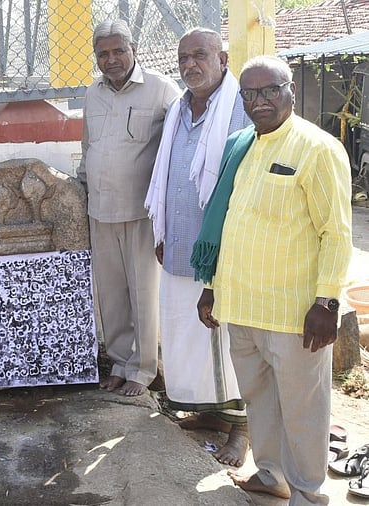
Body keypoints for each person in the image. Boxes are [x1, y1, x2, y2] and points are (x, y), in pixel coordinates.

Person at [194, 55, 352, 503]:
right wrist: (212, 289)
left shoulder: (317, 149)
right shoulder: (242, 145)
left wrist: (327, 304)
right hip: (241, 306)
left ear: (291, 91)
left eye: (270, 91)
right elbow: (227, 222)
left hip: (294, 313)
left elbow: (337, 233)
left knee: (303, 411)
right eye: (250, 93)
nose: (259, 101)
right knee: (259, 399)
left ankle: (308, 494)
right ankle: (271, 474)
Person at [143, 28, 250, 466]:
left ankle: (241, 428)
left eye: (200, 55)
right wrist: (162, 233)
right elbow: (166, 176)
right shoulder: (177, 110)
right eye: (184, 57)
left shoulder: (244, 106)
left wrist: (228, 248)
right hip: (180, 243)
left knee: (224, 339)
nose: (190, 64)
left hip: (223, 247)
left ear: (222, 58)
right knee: (186, 337)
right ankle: (210, 416)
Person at [78, 19, 180, 396]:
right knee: (111, 294)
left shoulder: (162, 89)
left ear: (133, 49)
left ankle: (144, 368)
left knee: (144, 293)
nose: (111, 59)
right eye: (103, 53)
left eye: (118, 50)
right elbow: (88, 146)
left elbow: (177, 148)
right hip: (100, 211)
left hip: (141, 213)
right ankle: (120, 361)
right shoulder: (93, 94)